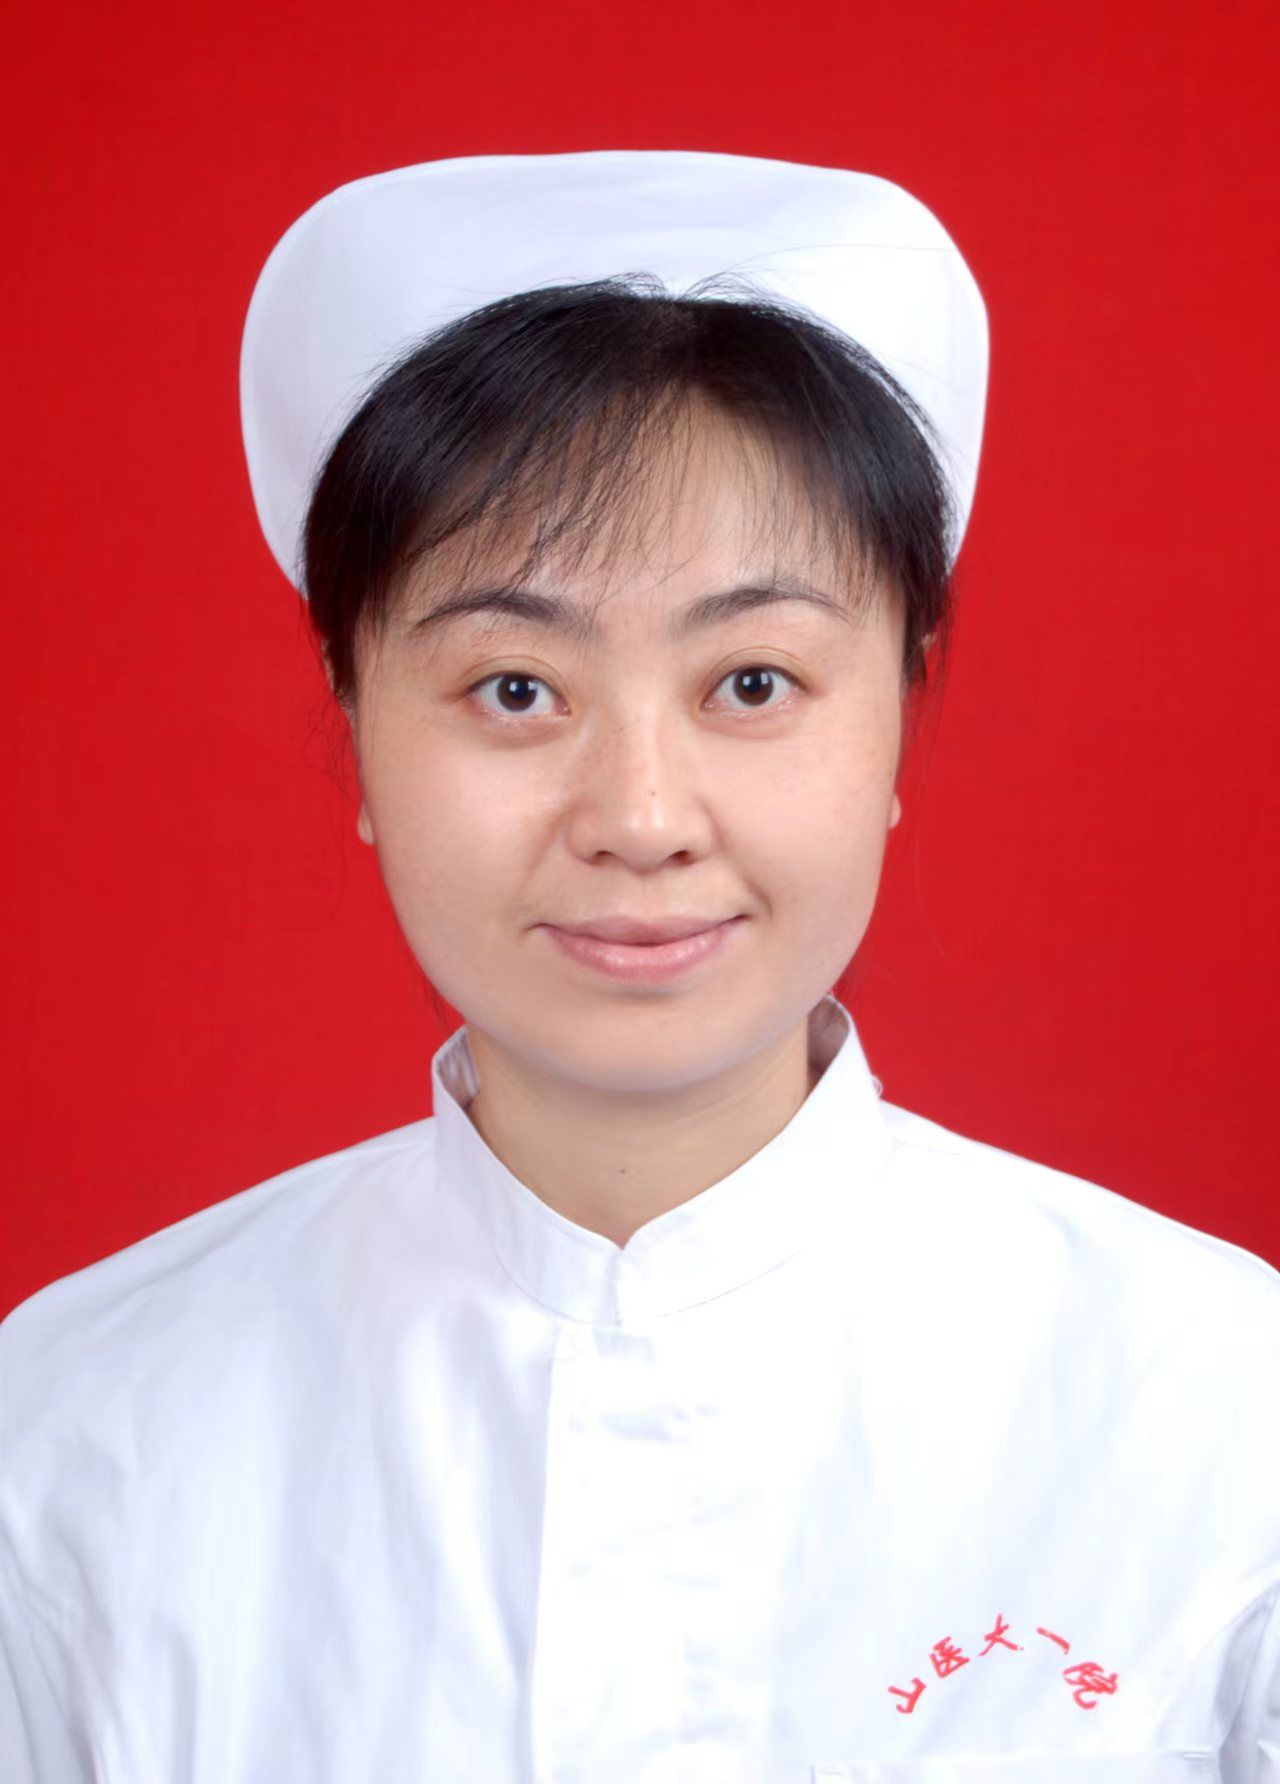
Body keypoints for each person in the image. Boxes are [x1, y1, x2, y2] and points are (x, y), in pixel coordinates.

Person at [1, 149, 1276, 1782]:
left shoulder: (1218, 1413)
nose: (642, 818)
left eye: (751, 682)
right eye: (516, 690)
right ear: (356, 719)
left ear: (900, 708)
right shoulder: (74, 1437)